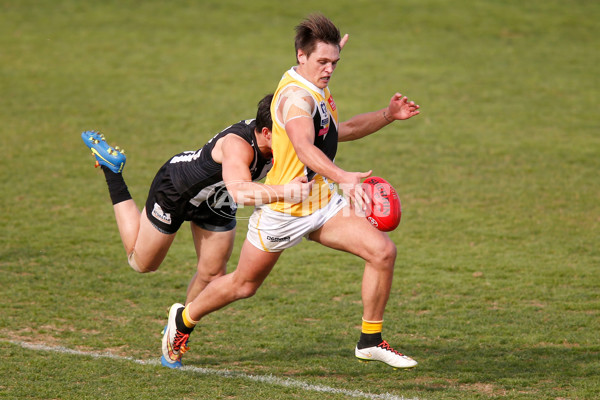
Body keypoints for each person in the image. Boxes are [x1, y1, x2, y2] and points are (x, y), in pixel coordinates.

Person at [162, 14, 421, 369]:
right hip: (284, 207)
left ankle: (370, 340)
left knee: (382, 252)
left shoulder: (314, 82)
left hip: (320, 200)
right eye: (322, 62)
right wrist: (344, 176)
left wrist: (387, 115)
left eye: (334, 62)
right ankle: (184, 319)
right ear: (302, 55)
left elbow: (338, 131)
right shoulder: (297, 100)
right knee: (243, 285)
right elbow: (304, 147)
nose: (329, 69)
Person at [81, 94, 313, 310]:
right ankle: (113, 172)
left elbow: (328, 134)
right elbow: (240, 193)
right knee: (142, 264)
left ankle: (178, 328)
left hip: (218, 200)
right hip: (178, 189)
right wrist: (287, 191)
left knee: (212, 275)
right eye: (287, 133)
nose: (295, 139)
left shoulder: (280, 139)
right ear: (268, 133)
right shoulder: (238, 146)